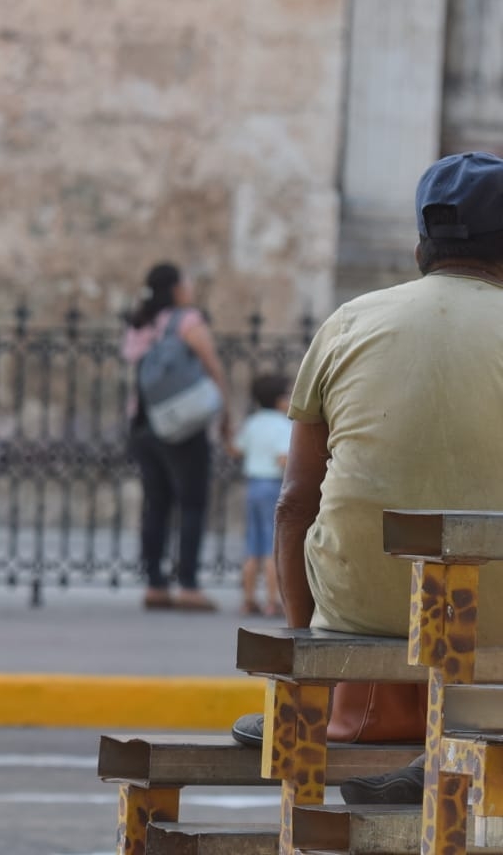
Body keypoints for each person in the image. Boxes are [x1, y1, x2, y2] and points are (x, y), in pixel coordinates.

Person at [231, 151, 503, 805]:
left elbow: (295, 502)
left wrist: (304, 660)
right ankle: (474, 736)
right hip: (493, 617)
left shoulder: (348, 323)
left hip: (363, 614)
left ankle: (346, 715)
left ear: (419, 247)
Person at [121, 262, 232, 611]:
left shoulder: (139, 324)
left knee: (156, 504)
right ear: (175, 288)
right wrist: (226, 413)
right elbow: (213, 366)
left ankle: (154, 584)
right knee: (193, 503)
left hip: (143, 423)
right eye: (186, 280)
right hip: (183, 426)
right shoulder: (187, 321)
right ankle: (187, 585)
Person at [228, 374, 291, 617]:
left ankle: (248, 598)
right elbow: (283, 458)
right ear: (278, 401)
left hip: (252, 485)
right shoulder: (283, 425)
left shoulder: (252, 423)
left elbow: (235, 449)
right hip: (273, 485)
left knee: (252, 546)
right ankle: (273, 601)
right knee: (272, 546)